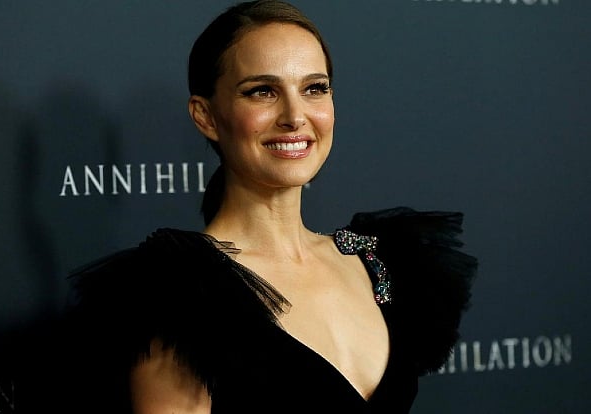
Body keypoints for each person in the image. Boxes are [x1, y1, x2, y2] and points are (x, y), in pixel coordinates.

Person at [37, 1, 477, 413]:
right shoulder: (178, 293)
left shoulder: (378, 261)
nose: (295, 116)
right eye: (263, 91)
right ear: (206, 116)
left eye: (315, 88)